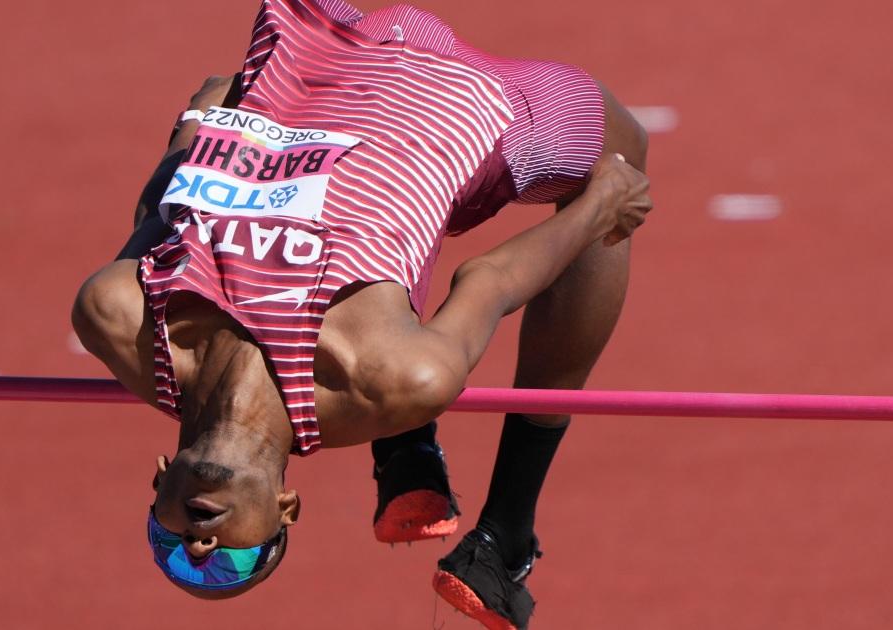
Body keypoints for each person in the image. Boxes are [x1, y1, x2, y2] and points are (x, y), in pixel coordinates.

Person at [71, 0, 651, 626]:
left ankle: (404, 446)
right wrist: (600, 208)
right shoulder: (392, 377)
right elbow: (491, 279)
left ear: (159, 481)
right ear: (286, 507)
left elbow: (162, 214)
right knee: (623, 150)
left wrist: (195, 124)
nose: (200, 549)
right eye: (232, 564)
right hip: (475, 103)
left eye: (173, 551)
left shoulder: (120, 319)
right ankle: (505, 530)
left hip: (316, 59)